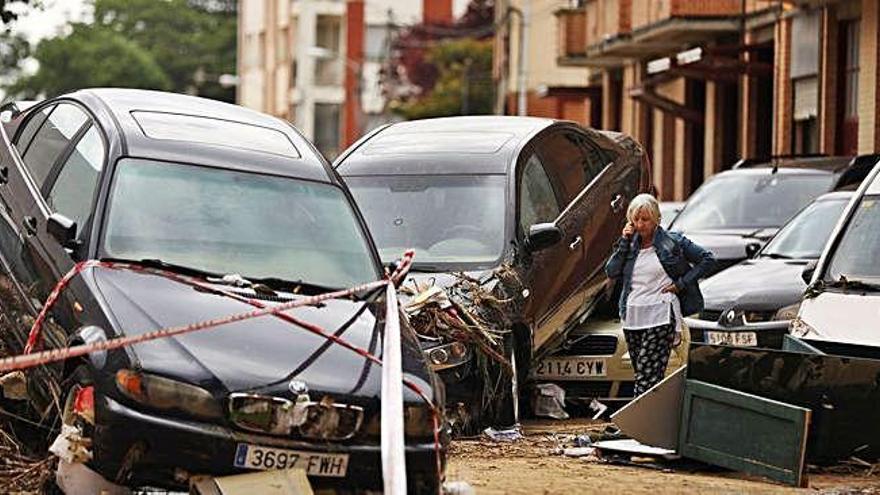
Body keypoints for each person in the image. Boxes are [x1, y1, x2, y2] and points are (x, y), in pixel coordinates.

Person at [605, 193, 715, 396]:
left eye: (645, 219)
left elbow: (707, 259)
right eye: (635, 219)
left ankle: (638, 422)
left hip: (661, 314)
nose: (640, 224)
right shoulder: (628, 245)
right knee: (641, 373)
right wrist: (623, 240)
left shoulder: (673, 242)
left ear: (657, 219)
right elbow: (611, 271)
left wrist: (681, 284)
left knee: (648, 375)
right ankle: (649, 421)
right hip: (632, 316)